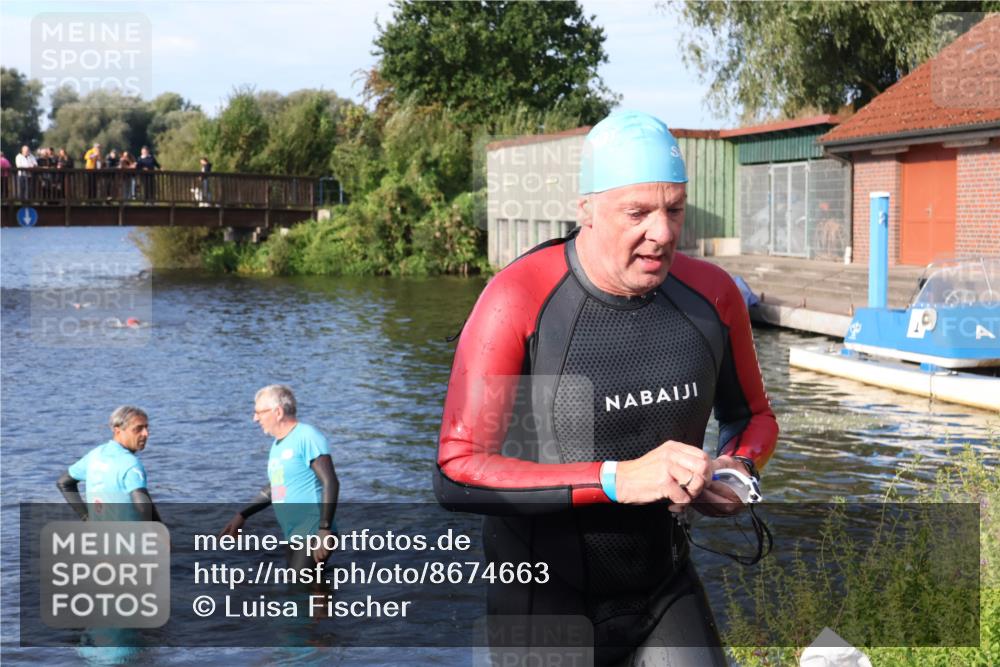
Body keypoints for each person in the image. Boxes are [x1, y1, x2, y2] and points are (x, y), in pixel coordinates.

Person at [435, 111, 778, 665]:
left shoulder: (712, 295)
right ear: (587, 210)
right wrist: (616, 479)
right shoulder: (517, 299)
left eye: (674, 209)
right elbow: (457, 471)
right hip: (543, 597)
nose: (662, 233)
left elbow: (753, 417)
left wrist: (737, 472)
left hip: (662, 586)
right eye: (637, 212)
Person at [221, 385, 339, 569]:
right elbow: (276, 487)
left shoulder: (307, 436)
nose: (255, 418)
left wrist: (324, 530)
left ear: (278, 412)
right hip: (294, 533)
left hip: (314, 530)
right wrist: (242, 515)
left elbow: (330, 482)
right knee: (303, 588)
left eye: (259, 412)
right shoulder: (278, 445)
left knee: (302, 587)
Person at [56, 405, 161, 522]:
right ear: (117, 431)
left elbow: (64, 483)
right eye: (138, 429)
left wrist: (86, 517)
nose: (145, 434)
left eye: (146, 427)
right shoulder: (131, 464)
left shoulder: (94, 455)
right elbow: (144, 507)